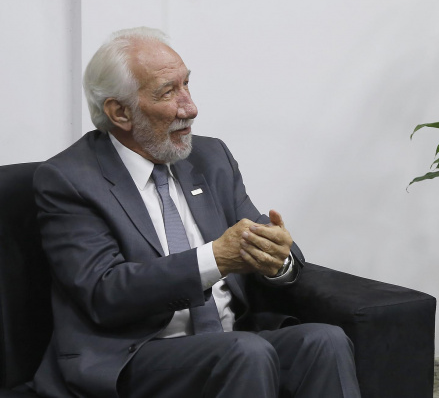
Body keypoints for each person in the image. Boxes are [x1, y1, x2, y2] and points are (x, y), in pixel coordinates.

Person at [31, 27, 361, 398]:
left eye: (186, 84)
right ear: (120, 112)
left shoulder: (211, 157)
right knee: (243, 352)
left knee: (323, 340)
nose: (190, 107)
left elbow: (260, 233)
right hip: (132, 354)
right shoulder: (69, 180)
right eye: (168, 92)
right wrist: (214, 259)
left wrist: (278, 259)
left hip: (230, 341)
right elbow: (104, 293)